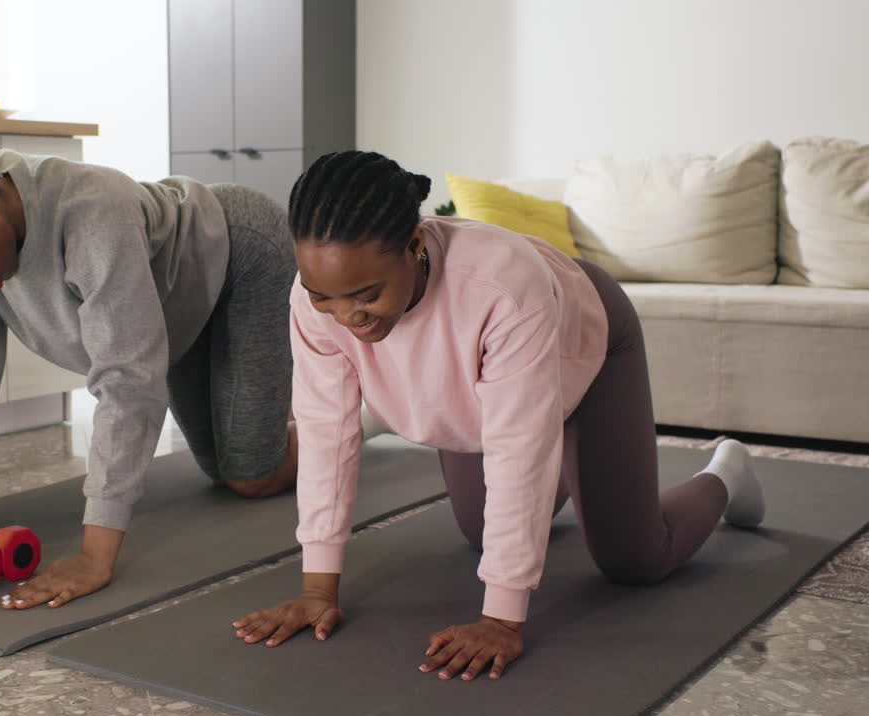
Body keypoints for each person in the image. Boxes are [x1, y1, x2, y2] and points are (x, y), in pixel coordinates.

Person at [231, 150, 765, 682]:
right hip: (486, 392)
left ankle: (726, 471)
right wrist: (316, 590)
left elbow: (518, 449)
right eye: (327, 299)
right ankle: (569, 465)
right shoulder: (313, 298)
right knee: (484, 533)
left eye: (366, 296)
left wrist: (500, 619)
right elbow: (325, 430)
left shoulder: (502, 287)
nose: (346, 318)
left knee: (636, 560)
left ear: (414, 247)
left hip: (585, 339)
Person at [0, 135, 301, 610]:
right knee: (220, 470)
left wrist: (95, 556)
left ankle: (357, 417)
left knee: (251, 477)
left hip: (242, 254)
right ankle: (272, 418)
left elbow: (128, 381)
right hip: (172, 302)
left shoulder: (93, 215)